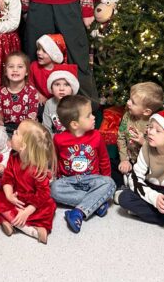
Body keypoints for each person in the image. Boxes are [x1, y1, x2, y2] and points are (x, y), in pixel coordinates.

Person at [51, 95, 115, 233]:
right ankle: (97, 202)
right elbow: (55, 161)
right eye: (88, 115)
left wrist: (105, 179)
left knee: (110, 183)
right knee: (54, 189)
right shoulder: (59, 139)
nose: (93, 117)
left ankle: (78, 212)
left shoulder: (96, 136)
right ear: (75, 124)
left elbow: (104, 159)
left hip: (92, 180)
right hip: (69, 181)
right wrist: (54, 177)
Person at [0, 120, 57, 244]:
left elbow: (42, 195)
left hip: (33, 202)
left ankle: (26, 227)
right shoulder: (13, 155)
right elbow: (8, 177)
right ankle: (17, 223)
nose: (13, 133)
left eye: (16, 133)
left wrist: (27, 211)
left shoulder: (38, 169)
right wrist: (9, 195)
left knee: (49, 207)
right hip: (16, 196)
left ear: (23, 146)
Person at [112, 82, 164, 188]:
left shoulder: (155, 124)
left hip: (146, 163)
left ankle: (136, 183)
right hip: (130, 157)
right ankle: (124, 184)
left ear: (146, 112)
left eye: (133, 102)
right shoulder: (127, 116)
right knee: (112, 166)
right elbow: (121, 137)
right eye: (129, 99)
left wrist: (143, 142)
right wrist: (124, 160)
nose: (128, 103)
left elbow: (159, 150)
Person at [0, 51, 39, 136]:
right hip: (5, 130)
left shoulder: (32, 92)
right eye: (11, 66)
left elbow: (31, 118)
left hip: (26, 130)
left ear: (27, 72)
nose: (15, 70)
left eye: (20, 67)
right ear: (5, 71)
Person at [29, 33, 67, 103]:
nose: (39, 52)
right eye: (38, 49)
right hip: (39, 101)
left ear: (54, 55)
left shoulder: (61, 70)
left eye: (44, 51)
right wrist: (37, 94)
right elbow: (29, 83)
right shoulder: (33, 66)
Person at [42, 66, 79, 135]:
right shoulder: (49, 104)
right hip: (56, 138)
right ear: (51, 88)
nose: (61, 89)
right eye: (57, 84)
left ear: (72, 88)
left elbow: (81, 129)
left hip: (73, 138)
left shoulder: (78, 104)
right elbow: (46, 129)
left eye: (66, 85)